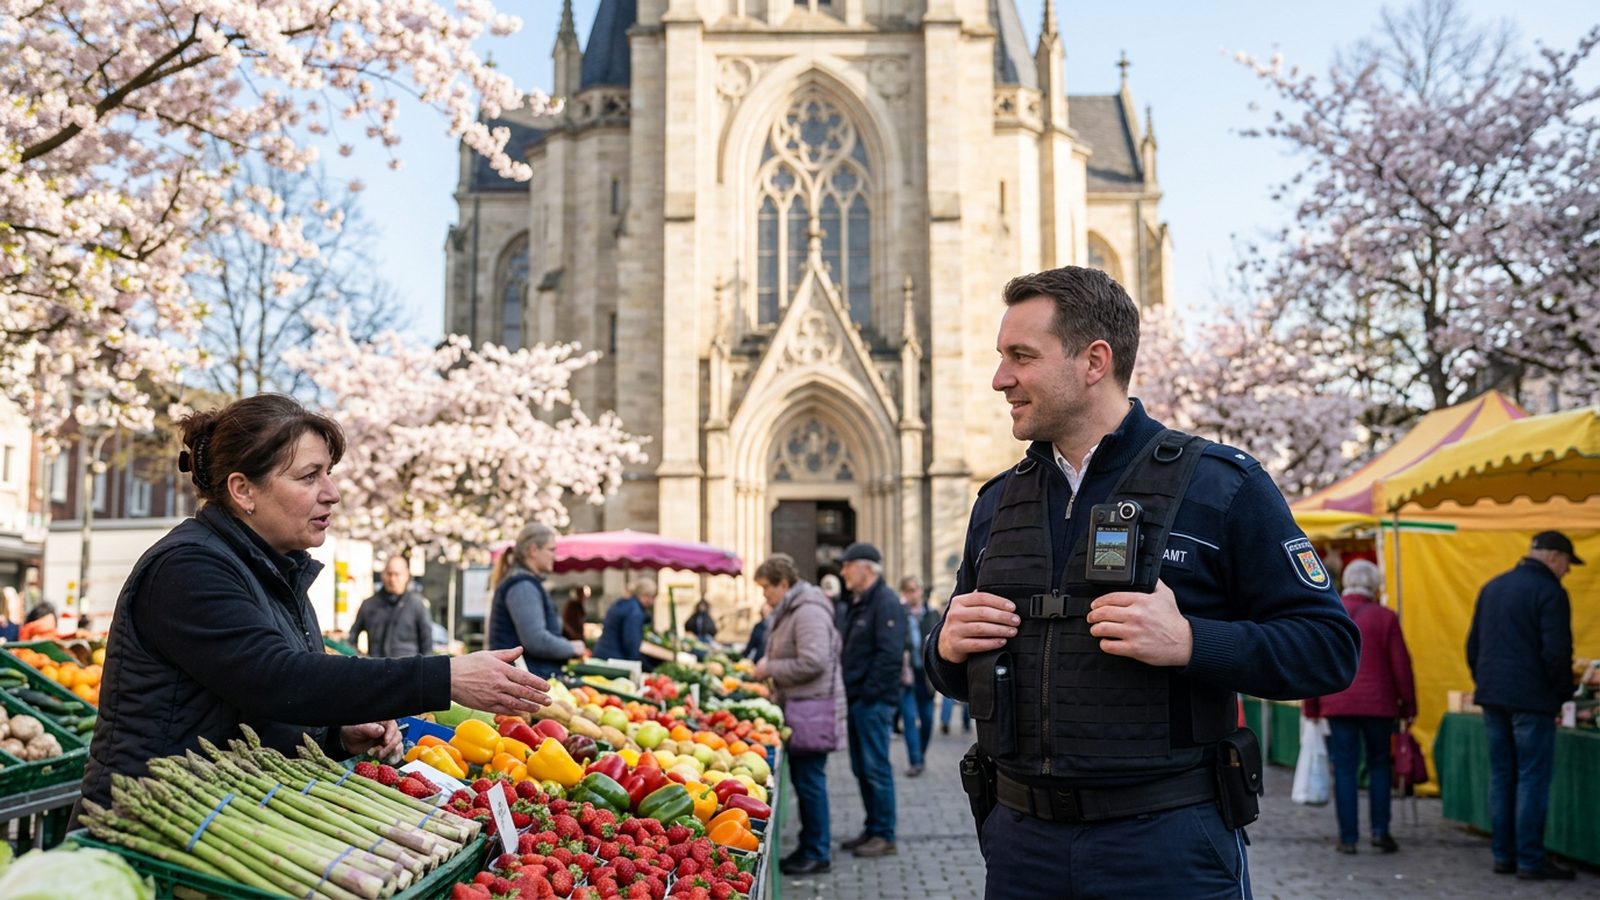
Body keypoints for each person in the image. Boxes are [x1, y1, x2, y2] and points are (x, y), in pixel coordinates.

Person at [926, 266, 1360, 898]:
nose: (1001, 379)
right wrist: (944, 647)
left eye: (1021, 356)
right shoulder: (995, 503)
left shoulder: (1223, 486)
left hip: (1168, 848)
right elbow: (955, 676)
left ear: (1094, 361)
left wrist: (1191, 643)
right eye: (1001, 357)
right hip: (1021, 849)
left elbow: (1329, 649)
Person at [78, 394, 550, 814]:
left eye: (328, 473)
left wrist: (337, 735)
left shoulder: (278, 569)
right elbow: (277, 678)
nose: (333, 492)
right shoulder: (189, 568)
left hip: (227, 811)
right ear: (243, 491)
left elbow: (257, 704)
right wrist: (446, 677)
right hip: (155, 820)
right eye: (309, 476)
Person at [1466, 530, 1583, 881]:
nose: (1567, 571)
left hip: (1493, 695)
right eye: (1567, 563)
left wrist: (1485, 684)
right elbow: (1557, 654)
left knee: (1503, 776)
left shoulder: (1494, 587)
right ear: (1553, 557)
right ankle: (1530, 859)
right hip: (1531, 700)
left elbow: (1473, 648)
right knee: (1532, 778)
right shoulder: (1550, 592)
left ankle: (1504, 855)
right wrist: (1563, 694)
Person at [1302, 560, 1416, 855]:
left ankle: (1348, 837)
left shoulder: (1330, 613)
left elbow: (1316, 661)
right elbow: (1401, 666)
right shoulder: (1385, 617)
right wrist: (1408, 705)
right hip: (1380, 706)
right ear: (1374, 584)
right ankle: (1380, 831)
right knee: (1380, 766)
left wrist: (1311, 706)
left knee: (1345, 769)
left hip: (1338, 702)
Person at [750, 554, 845, 876]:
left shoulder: (807, 611)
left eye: (766, 588)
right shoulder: (795, 608)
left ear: (783, 584)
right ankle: (810, 846)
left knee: (810, 781)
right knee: (807, 781)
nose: (764, 595)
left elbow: (814, 661)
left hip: (811, 708)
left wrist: (769, 668)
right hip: (800, 705)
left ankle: (817, 852)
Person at [837, 541, 907, 858]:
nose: (842, 572)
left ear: (865, 567)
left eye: (847, 565)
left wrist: (867, 694)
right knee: (862, 769)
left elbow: (890, 656)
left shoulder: (886, 602)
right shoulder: (860, 601)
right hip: (858, 701)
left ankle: (884, 834)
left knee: (876, 768)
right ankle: (872, 828)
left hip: (872, 703)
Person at [488, 524, 585, 678]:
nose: (554, 556)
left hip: (527, 678)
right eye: (551, 550)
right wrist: (571, 648)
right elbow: (536, 641)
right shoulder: (523, 586)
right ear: (533, 550)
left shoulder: (524, 583)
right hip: (524, 682)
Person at [348, 556, 435, 658]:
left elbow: (427, 644)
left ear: (407, 575)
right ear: (383, 575)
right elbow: (351, 639)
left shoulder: (417, 605)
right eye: (389, 574)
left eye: (397, 574)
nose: (392, 579)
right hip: (376, 668)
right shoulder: (368, 604)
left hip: (407, 670)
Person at [897, 576, 937, 776]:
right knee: (909, 718)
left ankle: (920, 754)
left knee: (928, 719)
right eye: (908, 590)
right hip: (906, 674)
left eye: (915, 589)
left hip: (927, 675)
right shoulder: (899, 614)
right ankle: (915, 760)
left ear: (921, 591)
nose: (912, 594)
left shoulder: (932, 614)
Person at [593, 578, 654, 662]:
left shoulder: (621, 602)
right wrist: (634, 664)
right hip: (615, 659)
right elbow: (631, 642)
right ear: (645, 595)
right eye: (652, 597)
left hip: (601, 654)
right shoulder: (634, 611)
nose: (652, 601)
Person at [742, 588, 775, 663]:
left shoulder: (779, 625)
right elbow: (750, 646)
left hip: (772, 664)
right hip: (759, 663)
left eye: (768, 607)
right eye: (764, 607)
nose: (766, 609)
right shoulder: (758, 626)